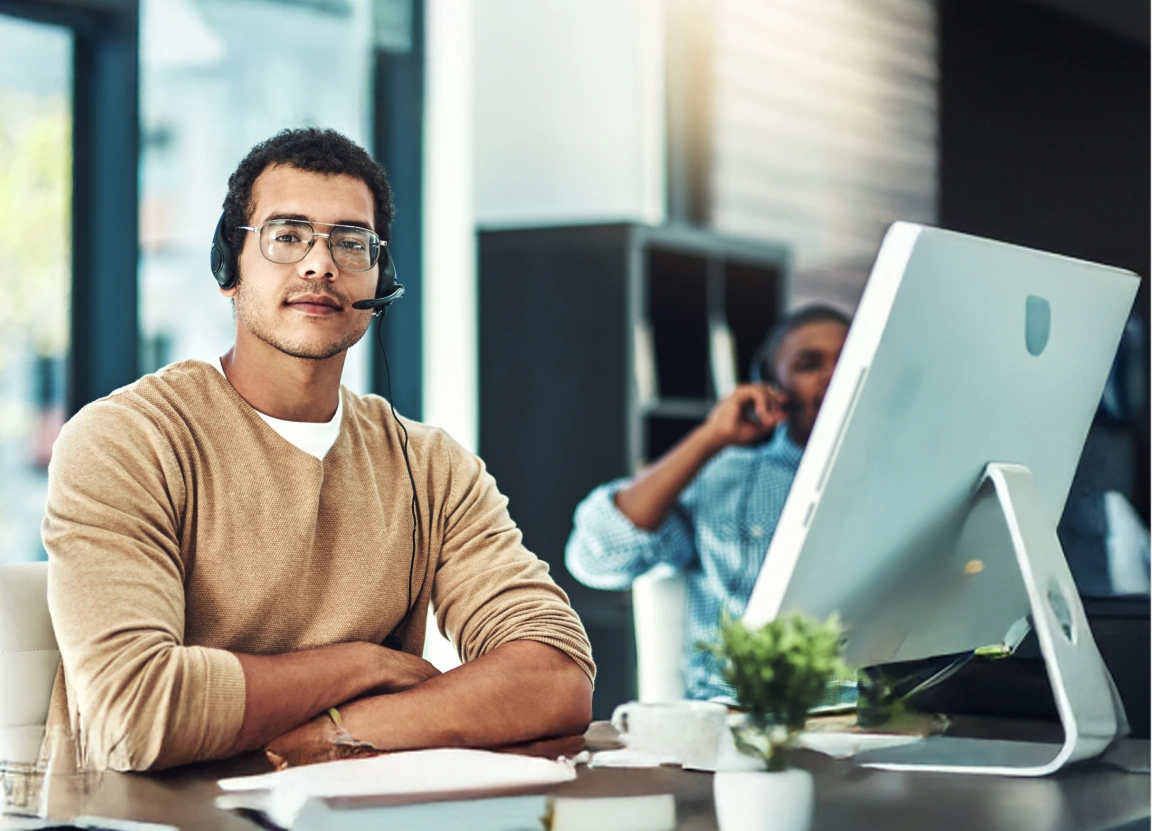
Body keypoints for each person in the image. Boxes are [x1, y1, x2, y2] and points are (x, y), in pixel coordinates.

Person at [42, 128, 594, 772]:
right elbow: (133, 716)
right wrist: (361, 664)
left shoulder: (430, 464)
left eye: (350, 242)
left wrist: (335, 733)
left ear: (380, 276)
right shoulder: (129, 441)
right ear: (229, 267)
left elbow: (555, 674)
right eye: (286, 236)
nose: (319, 265)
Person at [566, 305, 849, 700]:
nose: (836, 375)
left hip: (883, 717)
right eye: (808, 364)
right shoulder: (725, 477)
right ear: (773, 387)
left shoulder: (912, 471)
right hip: (745, 718)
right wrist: (711, 437)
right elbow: (599, 557)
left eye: (850, 357)